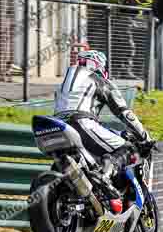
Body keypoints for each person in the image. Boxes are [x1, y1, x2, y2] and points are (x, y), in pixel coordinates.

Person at [53, 50, 153, 198]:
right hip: (81, 123)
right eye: (103, 66)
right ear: (97, 64)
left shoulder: (63, 84)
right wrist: (144, 136)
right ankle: (105, 176)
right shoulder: (99, 80)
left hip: (57, 125)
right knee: (127, 148)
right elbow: (124, 112)